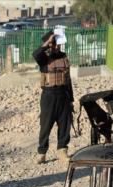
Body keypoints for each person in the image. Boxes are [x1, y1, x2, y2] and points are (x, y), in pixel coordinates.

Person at [33, 31, 73, 165]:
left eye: (58, 44)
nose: (57, 47)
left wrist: (71, 100)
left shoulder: (64, 57)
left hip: (63, 95)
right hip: (49, 96)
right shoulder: (44, 58)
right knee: (45, 125)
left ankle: (62, 151)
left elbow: (68, 80)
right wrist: (47, 43)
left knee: (65, 125)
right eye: (54, 44)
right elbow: (36, 54)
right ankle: (42, 152)